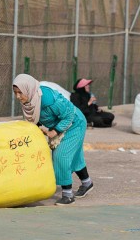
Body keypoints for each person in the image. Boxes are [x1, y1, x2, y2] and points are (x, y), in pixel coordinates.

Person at [13, 74, 94, 205]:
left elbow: (68, 115)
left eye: (20, 93)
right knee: (75, 156)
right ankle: (87, 183)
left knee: (61, 155)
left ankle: (68, 195)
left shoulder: (46, 98)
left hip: (74, 123)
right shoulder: (29, 100)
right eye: (15, 93)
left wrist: (53, 132)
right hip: (61, 125)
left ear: (27, 89)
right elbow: (34, 118)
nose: (17, 96)